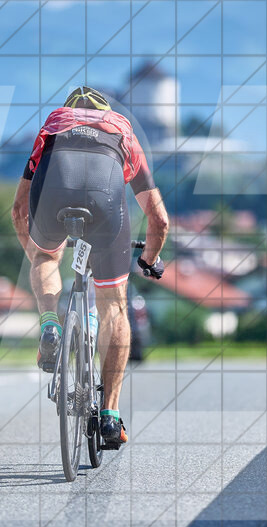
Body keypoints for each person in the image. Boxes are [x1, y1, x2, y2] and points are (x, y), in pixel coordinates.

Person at [11, 86, 169, 448]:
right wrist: (148, 260)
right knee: (114, 306)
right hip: (105, 201)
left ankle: (50, 323)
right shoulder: (121, 128)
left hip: (53, 195)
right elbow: (159, 220)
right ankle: (110, 416)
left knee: (47, 257)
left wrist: (38, 257)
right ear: (104, 111)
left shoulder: (53, 125)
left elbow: (19, 210)